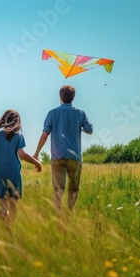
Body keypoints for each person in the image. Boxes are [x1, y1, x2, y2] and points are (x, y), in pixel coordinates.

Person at [33, 85, 93, 213]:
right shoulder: (80, 113)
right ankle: (70, 213)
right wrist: (80, 127)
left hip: (57, 156)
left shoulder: (52, 113)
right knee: (73, 188)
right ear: (73, 97)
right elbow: (90, 130)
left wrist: (37, 153)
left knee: (58, 189)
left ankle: (59, 215)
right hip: (75, 157)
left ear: (60, 97)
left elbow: (45, 135)